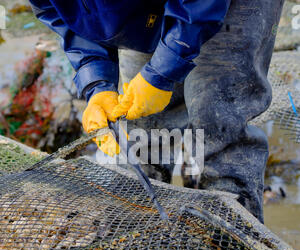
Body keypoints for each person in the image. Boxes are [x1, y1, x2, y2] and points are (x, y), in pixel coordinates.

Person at [29, 0, 285, 223]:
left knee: (218, 117)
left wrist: (162, 71)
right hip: (136, 12)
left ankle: (234, 246)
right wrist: (98, 83)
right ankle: (143, 237)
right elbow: (65, 15)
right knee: (142, 133)